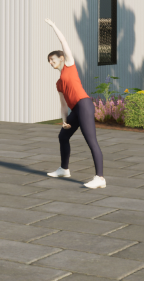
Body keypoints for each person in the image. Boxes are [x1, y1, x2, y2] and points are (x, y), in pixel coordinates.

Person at [44, 18, 106, 189]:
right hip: (75, 110)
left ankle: (100, 178)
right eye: (48, 61)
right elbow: (63, 105)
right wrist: (64, 120)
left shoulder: (70, 65)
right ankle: (64, 169)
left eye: (52, 59)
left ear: (62, 58)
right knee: (63, 136)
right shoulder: (58, 83)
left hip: (84, 105)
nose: (50, 63)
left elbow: (63, 42)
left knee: (91, 140)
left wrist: (54, 26)